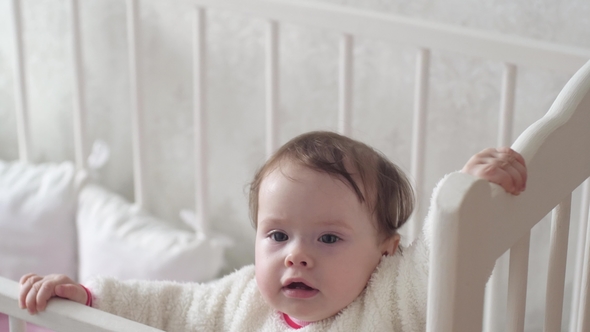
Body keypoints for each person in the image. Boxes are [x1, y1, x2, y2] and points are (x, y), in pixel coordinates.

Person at [18, 131, 527, 331]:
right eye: (277, 236)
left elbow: (437, 259)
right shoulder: (247, 300)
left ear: (386, 250)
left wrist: (462, 193)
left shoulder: (389, 297)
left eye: (328, 238)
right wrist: (88, 297)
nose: (296, 256)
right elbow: (168, 307)